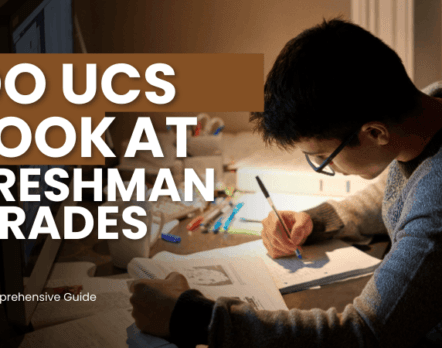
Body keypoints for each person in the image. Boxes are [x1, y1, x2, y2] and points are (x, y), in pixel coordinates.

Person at [129, 18, 442, 347]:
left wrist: (194, 318)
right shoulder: (428, 109)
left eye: (323, 155)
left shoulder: (436, 202)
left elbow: (364, 333)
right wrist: (317, 220)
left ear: (375, 133)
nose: (325, 166)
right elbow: (401, 191)